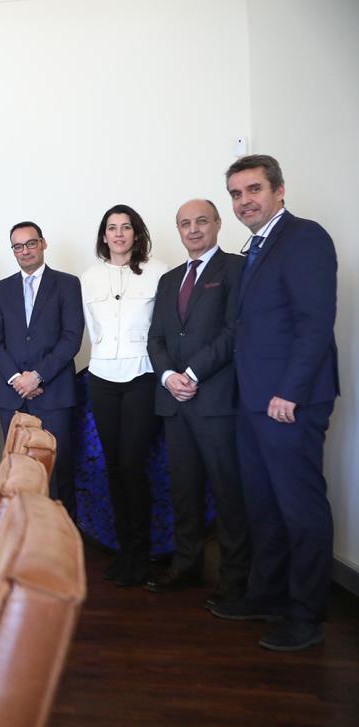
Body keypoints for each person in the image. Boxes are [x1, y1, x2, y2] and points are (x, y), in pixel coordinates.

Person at [209, 155, 338, 652]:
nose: (245, 201)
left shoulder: (304, 238)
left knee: (299, 507)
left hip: (289, 401)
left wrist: (290, 392)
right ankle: (267, 595)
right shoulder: (255, 247)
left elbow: (314, 323)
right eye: (237, 194)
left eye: (254, 190)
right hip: (253, 400)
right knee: (262, 506)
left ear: (279, 191)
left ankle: (306, 616)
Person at [145, 200, 250, 600]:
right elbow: (156, 337)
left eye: (201, 221)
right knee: (184, 491)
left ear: (218, 224)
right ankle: (186, 566)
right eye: (185, 223)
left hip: (216, 401)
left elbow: (233, 331)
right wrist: (169, 375)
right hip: (175, 402)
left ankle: (236, 579)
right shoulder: (170, 279)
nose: (193, 229)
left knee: (228, 492)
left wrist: (191, 373)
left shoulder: (236, 270)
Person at [82, 204, 167, 586]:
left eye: (126, 227)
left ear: (136, 234)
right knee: (113, 467)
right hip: (102, 377)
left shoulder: (158, 272)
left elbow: (163, 327)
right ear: (103, 235)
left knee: (133, 466)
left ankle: (141, 552)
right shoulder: (88, 278)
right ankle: (124, 551)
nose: (118, 234)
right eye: (112, 228)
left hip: (141, 376)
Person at [0, 223, 84, 517]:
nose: (25, 251)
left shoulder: (67, 284)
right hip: (12, 396)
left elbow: (71, 338)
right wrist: (18, 380)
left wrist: (37, 376)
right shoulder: (1, 289)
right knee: (19, 471)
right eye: (18, 246)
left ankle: (59, 539)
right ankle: (21, 535)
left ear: (43, 244)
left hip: (54, 394)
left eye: (30, 243)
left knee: (57, 471)